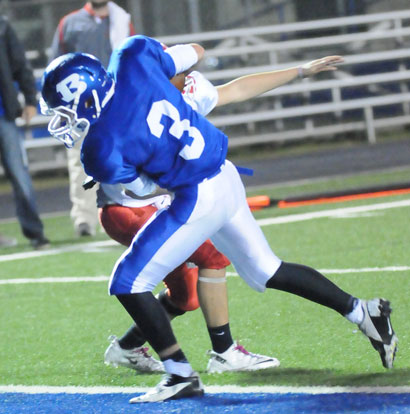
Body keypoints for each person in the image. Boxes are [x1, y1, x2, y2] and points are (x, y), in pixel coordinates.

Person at [40, 37, 398, 403]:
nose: (64, 119)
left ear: (85, 95)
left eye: (64, 109)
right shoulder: (134, 58)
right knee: (266, 269)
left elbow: (142, 192)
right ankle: (362, 312)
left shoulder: (100, 145)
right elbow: (196, 53)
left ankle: (179, 373)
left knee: (128, 281)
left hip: (198, 195)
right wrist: (301, 71)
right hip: (225, 176)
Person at [99, 70, 282, 374]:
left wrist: (301, 71)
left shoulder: (182, 92)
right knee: (212, 257)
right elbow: (136, 177)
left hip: (154, 200)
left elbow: (235, 90)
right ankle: (224, 353)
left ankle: (127, 347)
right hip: (129, 205)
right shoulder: (135, 104)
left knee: (186, 297)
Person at [49, 0, 135, 237]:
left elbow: (134, 60)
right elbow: (57, 63)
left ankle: (127, 212)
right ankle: (84, 220)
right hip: (79, 107)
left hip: (114, 104)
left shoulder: (122, 21)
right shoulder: (70, 23)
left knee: (121, 159)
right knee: (80, 163)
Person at [0, 15, 49, 250]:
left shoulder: (2, 25)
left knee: (20, 174)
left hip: (4, 115)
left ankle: (35, 233)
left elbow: (19, 63)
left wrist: (30, 99)